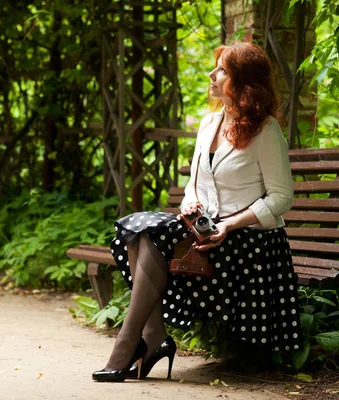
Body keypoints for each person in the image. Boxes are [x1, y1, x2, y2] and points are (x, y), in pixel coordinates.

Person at [92, 42, 302, 383]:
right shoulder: (209, 123)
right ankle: (151, 338)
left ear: (244, 83)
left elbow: (281, 198)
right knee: (139, 229)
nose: (211, 75)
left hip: (249, 243)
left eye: (221, 70)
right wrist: (191, 202)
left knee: (149, 237)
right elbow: (195, 182)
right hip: (205, 230)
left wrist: (229, 226)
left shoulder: (267, 132)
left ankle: (133, 343)